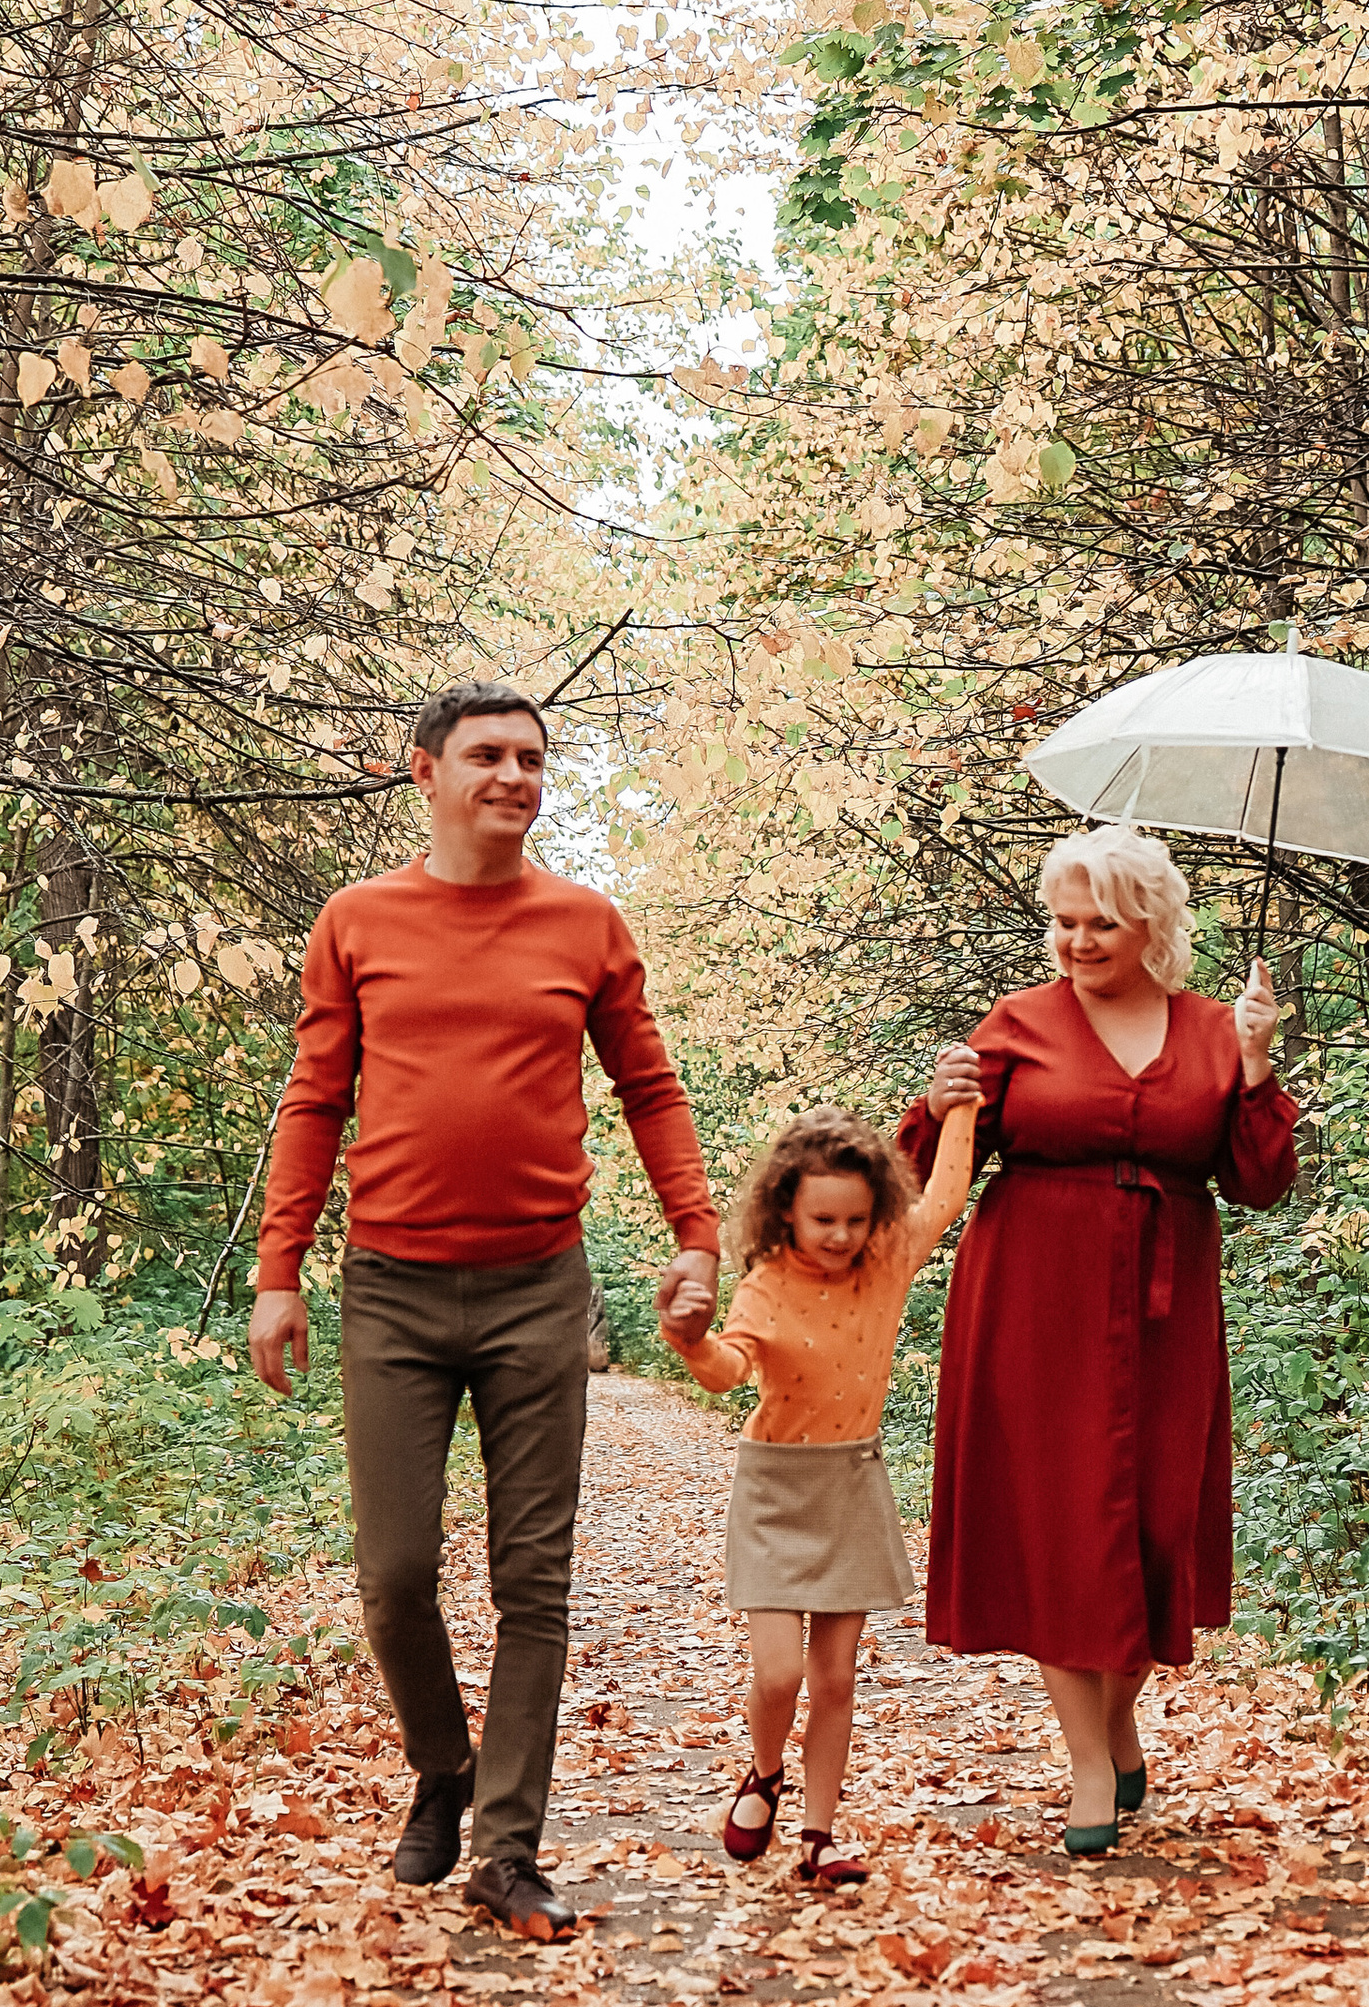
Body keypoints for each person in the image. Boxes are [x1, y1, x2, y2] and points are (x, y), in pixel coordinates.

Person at [248, 680, 720, 1939]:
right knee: (396, 1574)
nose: (513, 776)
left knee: (534, 1581)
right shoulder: (359, 922)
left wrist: (697, 1236)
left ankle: (507, 1847)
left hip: (535, 1291)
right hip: (391, 1291)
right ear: (425, 773)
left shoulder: (585, 926)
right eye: (487, 756)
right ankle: (443, 1767)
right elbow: (313, 1100)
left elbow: (650, 1089)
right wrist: (278, 1270)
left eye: (531, 758)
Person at [899, 822, 1295, 1855]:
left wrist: (1254, 1072)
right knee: (1060, 1528)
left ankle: (1117, 1723)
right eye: (1062, 922)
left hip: (1168, 1306)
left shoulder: (1214, 1029)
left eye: (1100, 924)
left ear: (1150, 924)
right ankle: (1087, 1763)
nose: (1075, 941)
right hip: (1034, 1295)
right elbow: (933, 1171)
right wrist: (935, 1107)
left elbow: (1257, 1183)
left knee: (1155, 1523)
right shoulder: (1016, 1024)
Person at [661, 1095, 979, 1887]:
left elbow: (944, 1196)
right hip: (774, 1492)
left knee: (835, 1678)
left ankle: (819, 1835)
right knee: (779, 1673)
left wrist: (964, 1107)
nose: (841, 1237)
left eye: (856, 1220)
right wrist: (689, 1340)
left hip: (851, 1482)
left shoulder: (888, 1259)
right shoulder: (767, 1283)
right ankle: (764, 1775)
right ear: (787, 1214)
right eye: (823, 1221)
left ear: (875, 1215)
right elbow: (728, 1371)